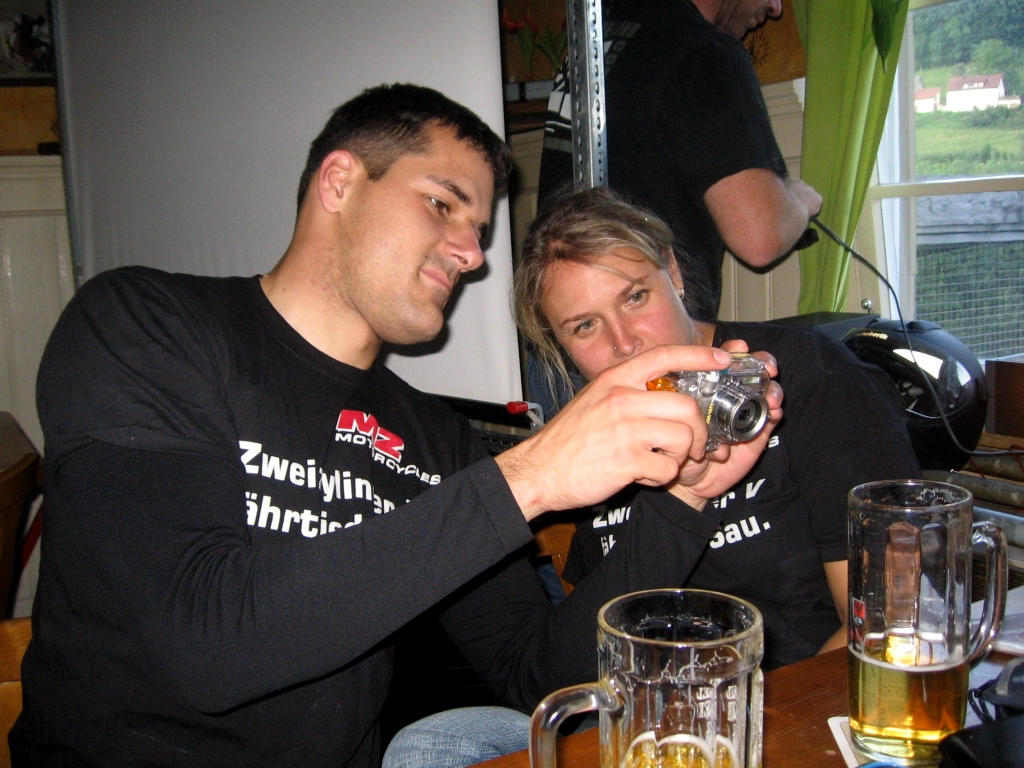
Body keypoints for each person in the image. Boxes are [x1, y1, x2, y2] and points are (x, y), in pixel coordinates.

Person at [12, 84, 779, 767]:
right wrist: (535, 474)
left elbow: (536, 674)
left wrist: (684, 501)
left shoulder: (431, 437)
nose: (472, 254)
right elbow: (205, 646)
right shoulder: (146, 326)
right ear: (339, 182)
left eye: (479, 228)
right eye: (443, 204)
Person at [382, 186, 920, 768]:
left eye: (635, 296)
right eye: (584, 326)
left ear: (673, 272)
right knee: (431, 746)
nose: (624, 344)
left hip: (783, 722)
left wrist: (737, 737)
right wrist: (683, 500)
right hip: (641, 730)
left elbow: (888, 625)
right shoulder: (593, 437)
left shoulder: (811, 378)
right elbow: (573, 671)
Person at [537, 0, 823, 326]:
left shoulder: (596, 44)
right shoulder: (701, 50)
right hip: (644, 336)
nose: (775, 8)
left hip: (566, 330)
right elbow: (760, 238)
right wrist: (802, 200)